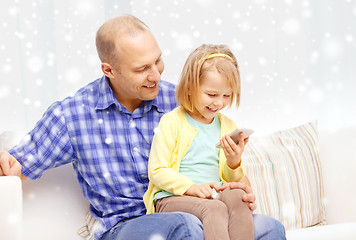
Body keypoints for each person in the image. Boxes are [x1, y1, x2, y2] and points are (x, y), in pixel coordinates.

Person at [0, 15, 286, 240]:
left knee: (269, 228)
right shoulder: (72, 114)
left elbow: (215, 158)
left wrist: (236, 183)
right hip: (124, 226)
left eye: (158, 61)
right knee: (184, 228)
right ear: (108, 70)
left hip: (197, 211)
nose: (156, 75)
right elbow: (14, 168)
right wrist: (8, 167)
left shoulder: (179, 100)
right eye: (141, 69)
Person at [144, 44, 254, 240]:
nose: (219, 102)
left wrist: (234, 162)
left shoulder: (227, 125)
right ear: (189, 88)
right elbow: (157, 171)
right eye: (211, 95)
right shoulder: (171, 122)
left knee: (238, 198)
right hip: (173, 198)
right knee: (215, 208)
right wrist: (191, 188)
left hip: (213, 194)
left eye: (226, 95)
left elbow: (232, 180)